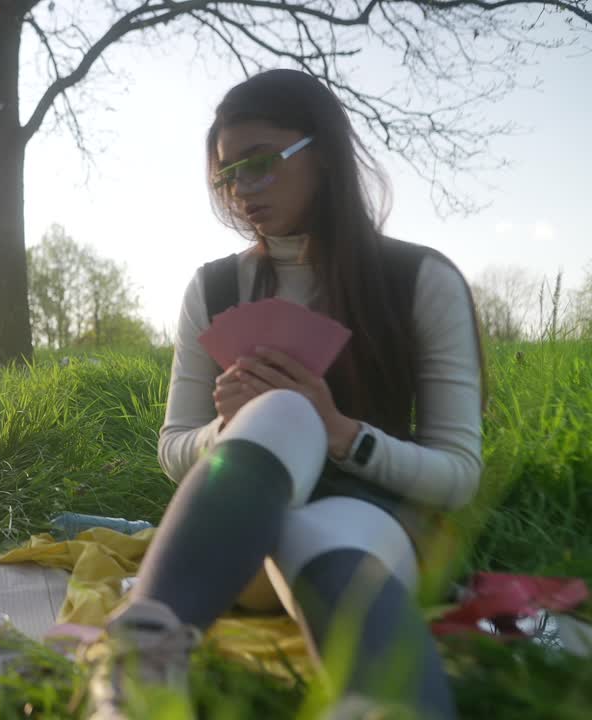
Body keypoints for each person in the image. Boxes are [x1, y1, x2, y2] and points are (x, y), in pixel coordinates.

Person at [85, 69, 487, 720]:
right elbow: (172, 447)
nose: (242, 190)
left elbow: (461, 475)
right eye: (227, 174)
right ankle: (136, 676)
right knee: (281, 411)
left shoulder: (420, 279)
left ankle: (382, 707)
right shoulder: (213, 288)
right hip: (234, 543)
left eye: (262, 163)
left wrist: (344, 436)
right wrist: (229, 427)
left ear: (323, 154)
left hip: (372, 532)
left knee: (322, 516)